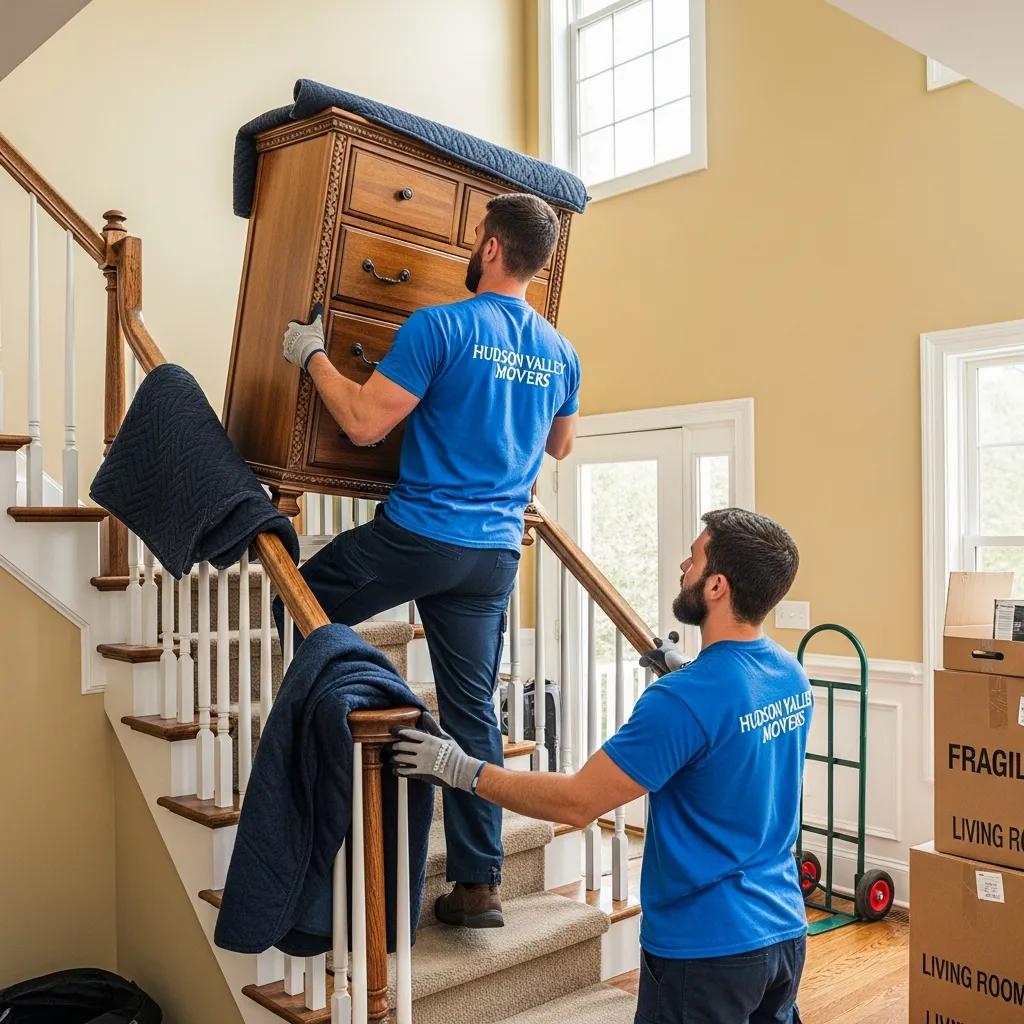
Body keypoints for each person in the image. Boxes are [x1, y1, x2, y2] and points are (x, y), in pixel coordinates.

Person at [276, 192, 581, 929]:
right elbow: (561, 445)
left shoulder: (441, 326)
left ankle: (318, 755)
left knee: (294, 599)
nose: (473, 245)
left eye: (476, 236)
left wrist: (310, 353)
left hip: (420, 536)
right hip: (494, 557)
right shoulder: (561, 351)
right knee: (473, 711)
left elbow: (361, 423)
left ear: (492, 248)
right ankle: (478, 887)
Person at [394, 508, 810, 1024]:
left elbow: (578, 801)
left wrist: (462, 770)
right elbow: (736, 743)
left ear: (717, 586)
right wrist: (691, 672)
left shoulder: (683, 700)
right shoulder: (788, 674)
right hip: (784, 931)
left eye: (695, 558)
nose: (684, 566)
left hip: (707, 949)